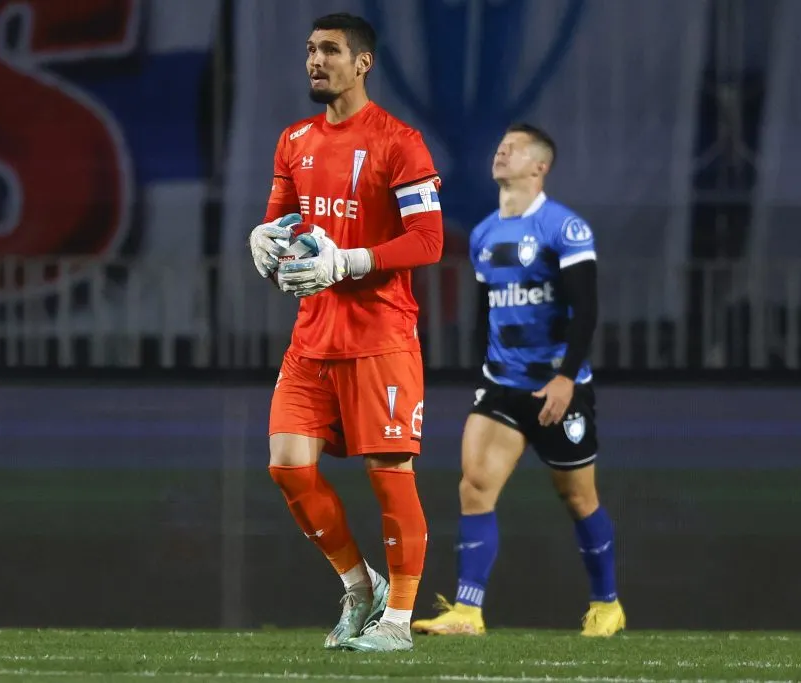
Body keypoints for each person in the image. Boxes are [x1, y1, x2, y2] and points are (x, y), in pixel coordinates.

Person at [247, 12, 443, 652]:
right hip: (312, 336)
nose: (315, 60)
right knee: (288, 468)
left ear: (363, 63)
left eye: (330, 50)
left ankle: (399, 622)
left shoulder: (400, 142)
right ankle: (362, 588)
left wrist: (351, 261)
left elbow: (429, 241)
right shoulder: (294, 140)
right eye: (310, 49)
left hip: (380, 336)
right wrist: (263, 240)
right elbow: (282, 223)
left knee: (390, 475)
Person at [411, 123, 625, 638]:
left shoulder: (564, 228)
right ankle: (468, 612)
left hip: (557, 388)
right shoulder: (484, 233)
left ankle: (607, 604)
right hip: (502, 385)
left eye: (515, 149)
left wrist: (565, 378)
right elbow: (486, 310)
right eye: (501, 146)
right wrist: (484, 369)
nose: (501, 152)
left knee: (579, 498)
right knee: (475, 486)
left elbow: (586, 309)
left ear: (540, 166)